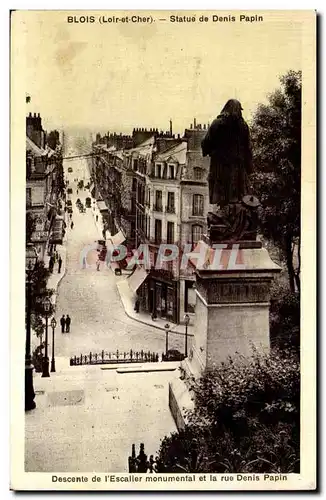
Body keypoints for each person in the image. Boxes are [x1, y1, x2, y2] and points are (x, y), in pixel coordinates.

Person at [201, 99, 253, 209]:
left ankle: (224, 210)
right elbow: (248, 147)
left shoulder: (218, 123)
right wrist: (249, 167)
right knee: (235, 195)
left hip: (220, 164)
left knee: (222, 193)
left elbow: (207, 142)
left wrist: (210, 151)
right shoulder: (243, 126)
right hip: (237, 166)